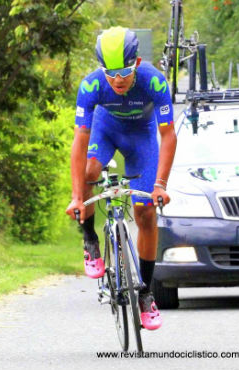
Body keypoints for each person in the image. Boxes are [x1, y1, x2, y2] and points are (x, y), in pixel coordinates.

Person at [66, 26, 177, 330]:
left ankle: (145, 293)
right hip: (105, 131)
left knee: (145, 211)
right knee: (89, 173)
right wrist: (77, 196)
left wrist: (160, 186)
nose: (117, 80)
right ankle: (90, 240)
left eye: (124, 72)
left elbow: (168, 135)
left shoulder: (153, 80)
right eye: (109, 73)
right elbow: (80, 141)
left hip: (142, 139)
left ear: (137, 63)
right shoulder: (90, 86)